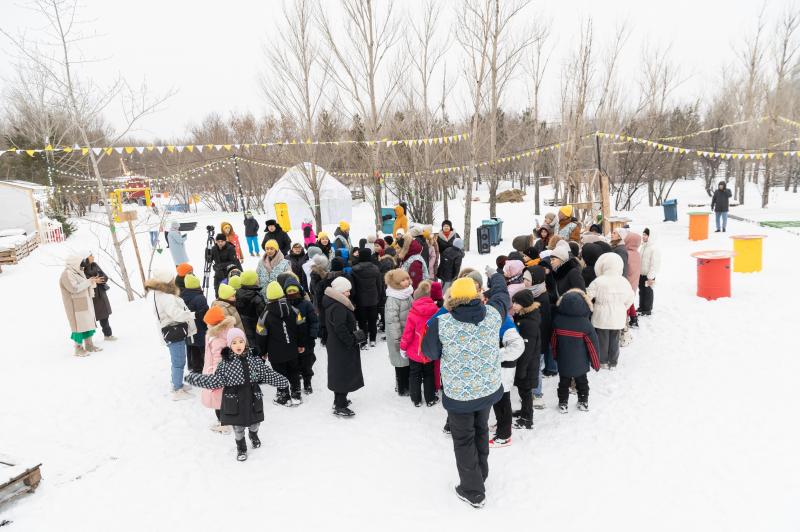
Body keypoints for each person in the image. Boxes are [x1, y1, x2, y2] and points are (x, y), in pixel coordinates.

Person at [421, 273, 510, 509]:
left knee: (463, 440)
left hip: (460, 395)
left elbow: (429, 353)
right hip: (488, 389)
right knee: (480, 429)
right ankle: (481, 472)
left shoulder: (442, 323)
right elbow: (502, 297)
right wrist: (497, 276)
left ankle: (473, 490)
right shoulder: (492, 315)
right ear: (477, 295)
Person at [185, 328, 290, 461]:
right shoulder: (225, 363)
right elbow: (214, 381)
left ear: (245, 342)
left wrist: (282, 381)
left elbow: (267, 374)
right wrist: (195, 378)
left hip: (253, 396)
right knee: (238, 427)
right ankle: (241, 447)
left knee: (255, 423)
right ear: (229, 345)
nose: (238, 345)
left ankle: (253, 435)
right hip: (235, 400)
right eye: (234, 343)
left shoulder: (254, 359)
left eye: (241, 341)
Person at [146, 268, 197, 400]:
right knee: (178, 361)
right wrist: (191, 315)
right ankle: (177, 389)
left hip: (170, 331)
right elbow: (176, 314)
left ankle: (177, 383)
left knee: (178, 360)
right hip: (175, 332)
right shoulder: (166, 297)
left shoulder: (158, 294)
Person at [322, 277, 367, 417]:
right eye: (347, 291)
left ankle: (339, 400)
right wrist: (351, 341)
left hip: (337, 344)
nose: (349, 293)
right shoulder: (338, 306)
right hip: (341, 345)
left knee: (340, 372)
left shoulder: (335, 303)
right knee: (343, 373)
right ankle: (340, 406)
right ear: (340, 291)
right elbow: (340, 328)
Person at [551, 289, 600, 413]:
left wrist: (555, 356)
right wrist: (595, 362)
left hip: (564, 361)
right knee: (582, 382)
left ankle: (563, 403)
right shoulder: (585, 324)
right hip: (581, 363)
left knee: (563, 383)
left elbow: (554, 341)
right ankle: (583, 401)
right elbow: (592, 345)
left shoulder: (558, 321)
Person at [256, 281, 304, 406]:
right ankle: (296, 393)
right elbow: (301, 328)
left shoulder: (264, 315)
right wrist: (301, 344)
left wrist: (262, 351)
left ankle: (284, 396)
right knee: (294, 370)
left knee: (279, 374)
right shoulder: (294, 310)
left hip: (275, 352)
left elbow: (261, 335)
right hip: (292, 349)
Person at [587, 253, 634, 370]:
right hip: (618, 316)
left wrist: (593, 307)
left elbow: (587, 296)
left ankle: (602, 361)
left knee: (602, 338)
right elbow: (630, 298)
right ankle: (613, 362)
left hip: (601, 315)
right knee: (615, 339)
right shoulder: (624, 281)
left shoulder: (598, 281)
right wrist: (622, 308)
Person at [400, 281, 440, 407]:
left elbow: (407, 333)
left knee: (414, 374)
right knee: (429, 374)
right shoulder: (436, 311)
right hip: (429, 351)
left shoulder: (413, 312)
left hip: (414, 351)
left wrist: (403, 347)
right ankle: (430, 399)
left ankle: (416, 399)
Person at [489, 310, 524, 448]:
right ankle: (501, 425)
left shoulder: (505, 322)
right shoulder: (500, 318)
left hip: (505, 368)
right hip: (501, 367)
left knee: (502, 399)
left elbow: (518, 346)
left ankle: (504, 436)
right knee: (498, 399)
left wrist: (495, 355)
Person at [199, 306, 236, 433]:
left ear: (213, 323)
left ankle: (224, 425)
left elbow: (218, 359)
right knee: (225, 398)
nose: (207, 325)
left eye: (208, 323)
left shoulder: (218, 339)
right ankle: (228, 420)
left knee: (218, 401)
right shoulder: (227, 331)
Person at [510, 290, 541, 430]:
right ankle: (524, 411)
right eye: (514, 301)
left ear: (524, 304)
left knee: (526, 391)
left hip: (527, 364)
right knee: (523, 390)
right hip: (525, 363)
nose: (514, 305)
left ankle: (527, 419)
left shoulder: (528, 323)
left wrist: (521, 369)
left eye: (517, 302)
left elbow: (527, 351)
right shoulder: (524, 316)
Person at [61, 253, 103, 356]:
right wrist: (89, 282)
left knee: (87, 324)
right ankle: (78, 349)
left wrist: (91, 282)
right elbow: (74, 288)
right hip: (74, 306)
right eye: (80, 263)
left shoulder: (78, 272)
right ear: (74, 263)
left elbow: (84, 285)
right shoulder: (67, 274)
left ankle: (89, 345)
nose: (82, 266)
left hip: (84, 302)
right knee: (77, 327)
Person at [283, 277, 319, 394]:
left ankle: (307, 382)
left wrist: (313, 334)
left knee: (307, 363)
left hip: (306, 340)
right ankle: (297, 378)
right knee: (294, 363)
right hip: (292, 342)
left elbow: (314, 321)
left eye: (294, 290)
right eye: (289, 291)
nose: (292, 293)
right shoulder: (284, 306)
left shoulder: (307, 304)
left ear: (299, 290)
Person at [384, 269, 413, 395]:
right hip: (399, 336)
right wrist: (398, 340)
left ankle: (408, 385)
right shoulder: (393, 299)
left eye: (407, 278)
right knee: (400, 363)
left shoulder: (407, 293)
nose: (406, 281)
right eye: (403, 280)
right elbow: (392, 322)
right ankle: (402, 388)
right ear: (395, 283)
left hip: (408, 335)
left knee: (407, 362)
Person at [351, 248, 383, 348]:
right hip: (373, 298)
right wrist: (378, 296)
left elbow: (354, 286)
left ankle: (363, 341)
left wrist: (354, 298)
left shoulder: (354, 269)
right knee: (372, 320)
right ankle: (373, 339)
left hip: (360, 299)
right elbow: (379, 285)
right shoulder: (375, 268)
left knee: (362, 321)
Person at [81, 253, 115, 341]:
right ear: (86, 257)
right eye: (91, 255)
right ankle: (89, 341)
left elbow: (105, 277)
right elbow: (83, 281)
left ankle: (108, 335)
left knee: (104, 316)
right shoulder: (82, 268)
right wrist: (94, 281)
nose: (93, 257)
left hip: (101, 293)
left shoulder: (95, 265)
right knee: (90, 318)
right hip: (91, 295)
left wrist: (100, 279)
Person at [180, 274, 209, 373]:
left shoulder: (180, 298)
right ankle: (207, 368)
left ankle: (195, 368)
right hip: (200, 329)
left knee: (193, 348)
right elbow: (205, 316)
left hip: (189, 329)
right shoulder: (200, 298)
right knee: (203, 349)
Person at [234, 270, 266, 354]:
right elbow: (263, 317)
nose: (258, 280)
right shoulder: (256, 298)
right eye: (256, 279)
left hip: (244, 331)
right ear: (253, 281)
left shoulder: (236, 294)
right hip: (256, 331)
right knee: (258, 354)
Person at [638, 228, 660, 316]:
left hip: (649, 275)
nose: (643, 236)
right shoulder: (643, 247)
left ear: (650, 236)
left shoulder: (654, 249)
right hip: (641, 274)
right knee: (641, 291)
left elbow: (654, 264)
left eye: (646, 235)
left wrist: (650, 276)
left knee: (648, 291)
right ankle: (642, 307)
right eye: (643, 234)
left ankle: (647, 309)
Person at [623, 230, 642, 327]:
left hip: (627, 281)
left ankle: (625, 322)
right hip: (634, 281)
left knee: (626, 302)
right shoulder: (637, 253)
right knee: (630, 300)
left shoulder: (627, 254)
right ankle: (634, 318)